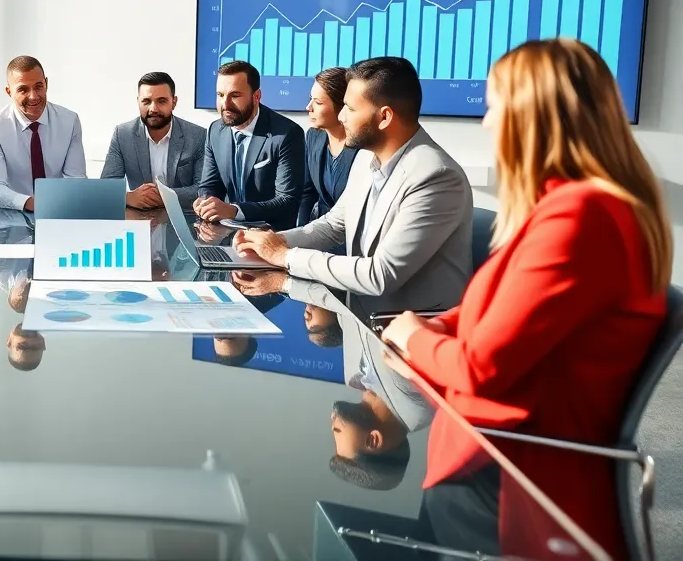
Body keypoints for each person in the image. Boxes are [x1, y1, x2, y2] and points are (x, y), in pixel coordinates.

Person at [381, 38, 672, 561]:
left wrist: (413, 338)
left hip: (508, 474)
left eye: (495, 108)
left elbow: (482, 369)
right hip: (502, 456)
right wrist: (431, 330)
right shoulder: (574, 206)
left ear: (530, 118)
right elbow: (486, 313)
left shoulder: (581, 217)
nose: (488, 124)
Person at [235, 57, 473, 306]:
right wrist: (274, 242)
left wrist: (285, 256)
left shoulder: (436, 177)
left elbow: (380, 275)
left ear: (384, 117)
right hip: (360, 320)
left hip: (409, 331)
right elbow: (333, 225)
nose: (342, 117)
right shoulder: (366, 159)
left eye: (349, 108)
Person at [194, 61, 305, 230]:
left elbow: (287, 201)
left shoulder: (287, 134)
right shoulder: (215, 130)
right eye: (220, 95)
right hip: (228, 233)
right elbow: (210, 185)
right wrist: (206, 202)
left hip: (273, 234)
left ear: (256, 96)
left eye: (235, 95)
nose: (225, 104)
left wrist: (234, 210)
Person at [0, 55, 86, 212]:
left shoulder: (69, 121)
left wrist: (57, 205)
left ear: (46, 84)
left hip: (60, 211)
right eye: (23, 89)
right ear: (9, 92)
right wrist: (32, 203)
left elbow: (76, 180)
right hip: (14, 215)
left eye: (38, 86)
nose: (33, 96)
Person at [100, 71, 206, 210]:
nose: (153, 108)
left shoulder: (198, 135)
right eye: (146, 101)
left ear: (174, 102)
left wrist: (164, 196)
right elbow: (107, 186)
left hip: (184, 219)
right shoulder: (123, 134)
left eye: (161, 101)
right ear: (138, 101)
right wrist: (129, 197)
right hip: (138, 220)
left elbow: (203, 189)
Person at [300, 67, 359, 225]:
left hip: (353, 237)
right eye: (310, 99)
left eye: (318, 102)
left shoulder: (363, 147)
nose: (308, 107)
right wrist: (300, 234)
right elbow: (307, 193)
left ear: (342, 106)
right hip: (319, 231)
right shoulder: (314, 136)